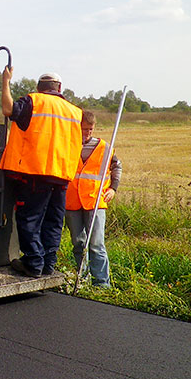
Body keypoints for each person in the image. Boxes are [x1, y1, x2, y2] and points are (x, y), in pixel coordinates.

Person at [0, 68, 82, 278]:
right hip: (61, 175)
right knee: (53, 221)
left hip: (35, 172)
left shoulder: (33, 102)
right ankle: (48, 264)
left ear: (38, 88)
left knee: (30, 219)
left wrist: (6, 81)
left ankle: (33, 263)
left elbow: (8, 109)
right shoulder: (74, 110)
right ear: (59, 88)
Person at [65, 110, 122, 287]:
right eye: (84, 129)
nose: (87, 133)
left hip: (95, 201)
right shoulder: (67, 145)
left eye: (90, 129)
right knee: (78, 243)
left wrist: (113, 188)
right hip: (72, 201)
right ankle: (82, 279)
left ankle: (102, 284)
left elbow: (116, 167)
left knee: (96, 244)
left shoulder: (104, 147)